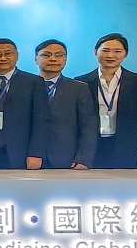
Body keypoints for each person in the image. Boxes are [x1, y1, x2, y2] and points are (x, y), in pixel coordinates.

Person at [75, 33, 137, 169]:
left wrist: (131, 130)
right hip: (91, 146)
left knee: (128, 182)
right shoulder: (81, 82)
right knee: (93, 182)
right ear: (95, 52)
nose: (110, 55)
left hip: (127, 145)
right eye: (105, 51)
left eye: (117, 51)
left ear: (125, 54)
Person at [0, 39, 48, 170]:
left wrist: (35, 153)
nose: (3, 58)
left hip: (19, 149)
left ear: (17, 56)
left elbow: (40, 121)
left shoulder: (34, 82)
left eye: (8, 54)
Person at [35, 39, 96, 169]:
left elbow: (88, 126)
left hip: (67, 158)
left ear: (65, 59)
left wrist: (83, 158)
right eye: (46, 55)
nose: (53, 59)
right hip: (30, 158)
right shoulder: (25, 86)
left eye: (59, 55)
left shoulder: (79, 88)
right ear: (36, 59)